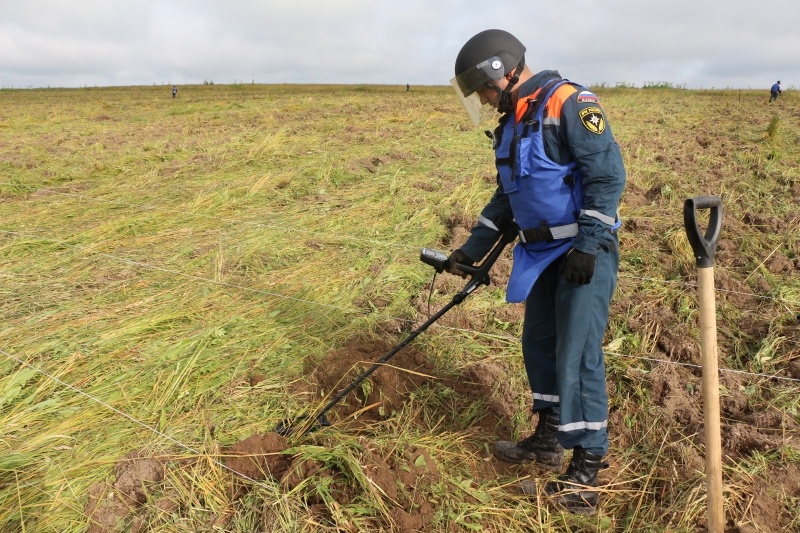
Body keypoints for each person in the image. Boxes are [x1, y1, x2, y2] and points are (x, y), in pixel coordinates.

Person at [447, 29, 626, 515]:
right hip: (539, 255)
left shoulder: (568, 101)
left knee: (579, 353)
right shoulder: (512, 123)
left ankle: (585, 478)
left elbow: (607, 176)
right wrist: (470, 251)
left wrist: (588, 247)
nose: (484, 100)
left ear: (501, 72)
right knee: (539, 345)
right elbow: (509, 196)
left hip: (581, 255)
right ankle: (548, 439)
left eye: (482, 89)